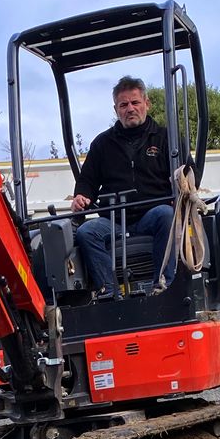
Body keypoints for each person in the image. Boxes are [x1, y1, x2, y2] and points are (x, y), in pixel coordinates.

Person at [71, 77, 175, 296]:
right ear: (116, 109)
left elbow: (188, 172)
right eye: (123, 104)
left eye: (135, 103)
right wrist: (81, 196)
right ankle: (109, 292)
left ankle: (164, 286)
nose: (130, 109)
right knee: (86, 232)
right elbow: (87, 181)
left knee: (167, 215)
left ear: (147, 103)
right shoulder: (102, 144)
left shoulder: (166, 138)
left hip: (151, 215)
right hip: (114, 220)